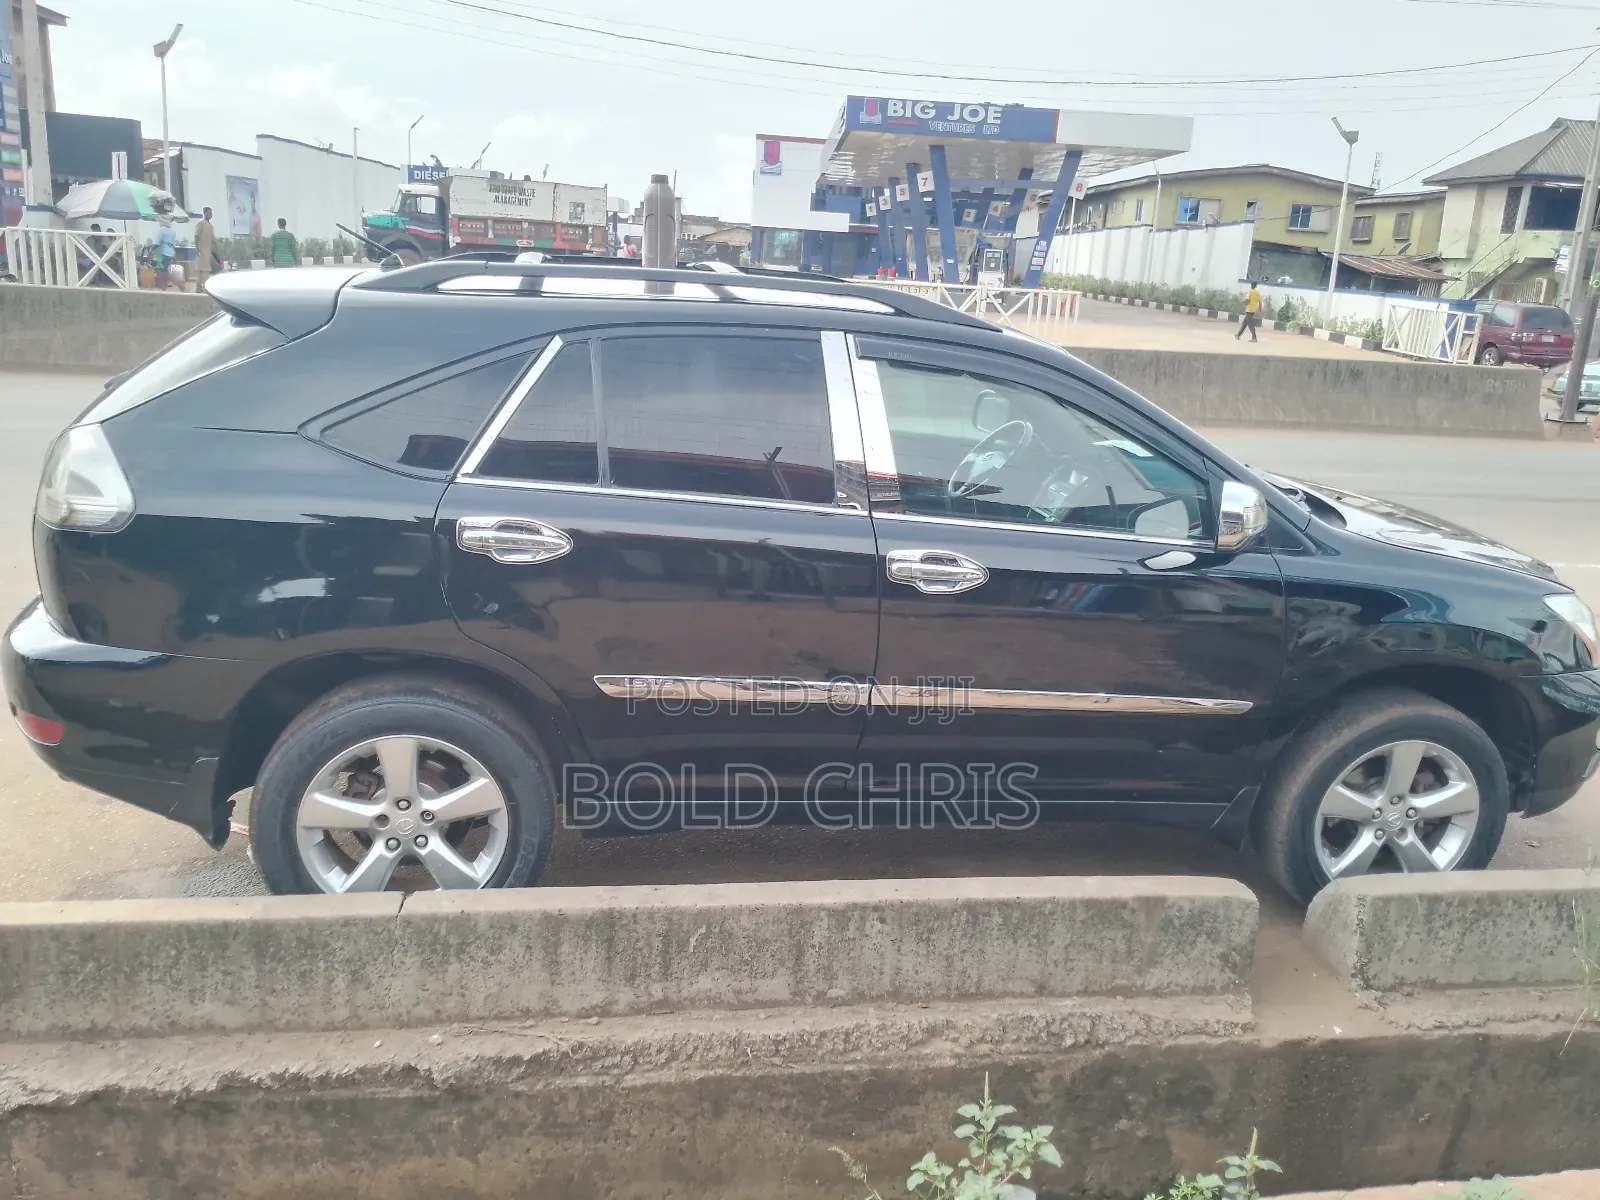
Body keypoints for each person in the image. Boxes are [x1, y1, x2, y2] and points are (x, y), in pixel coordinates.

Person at [194, 207, 217, 291]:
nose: (210, 215)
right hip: (201, 251)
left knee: (201, 271)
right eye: (209, 213)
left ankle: (198, 288)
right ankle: (205, 289)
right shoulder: (200, 223)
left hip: (208, 251)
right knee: (205, 271)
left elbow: (213, 239)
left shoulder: (210, 226)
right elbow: (196, 235)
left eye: (211, 213)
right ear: (204, 213)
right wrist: (197, 248)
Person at [154, 219, 177, 290]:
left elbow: (156, 243)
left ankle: (163, 287)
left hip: (163, 252)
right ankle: (166, 284)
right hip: (171, 253)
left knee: (161, 270)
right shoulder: (173, 231)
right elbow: (173, 244)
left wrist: (151, 251)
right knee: (166, 269)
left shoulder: (161, 230)